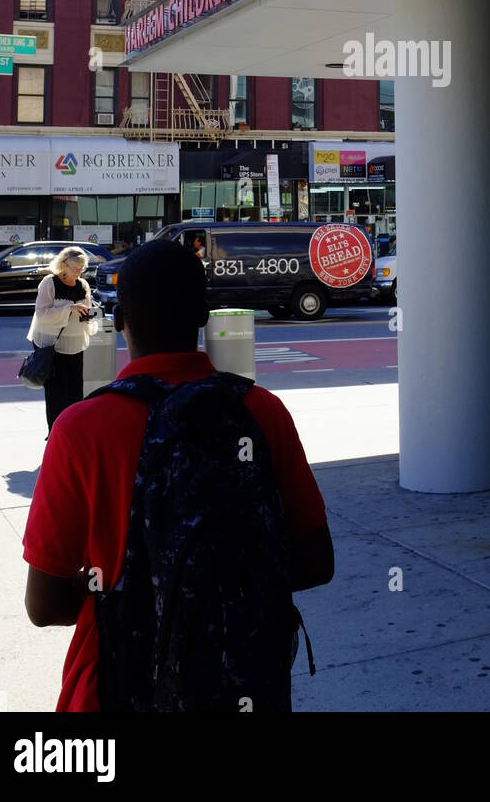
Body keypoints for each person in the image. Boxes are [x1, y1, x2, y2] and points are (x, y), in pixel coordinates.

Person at [22, 239, 334, 712]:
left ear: (122, 322)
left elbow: (44, 607)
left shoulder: (80, 429)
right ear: (204, 316)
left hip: (113, 684)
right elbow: (316, 561)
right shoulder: (262, 412)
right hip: (239, 684)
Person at [27, 246, 94, 434]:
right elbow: (41, 314)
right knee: (56, 392)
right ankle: (55, 433)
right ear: (63, 265)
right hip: (51, 344)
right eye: (75, 268)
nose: (79, 272)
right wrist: (69, 309)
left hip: (75, 343)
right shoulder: (49, 283)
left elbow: (85, 311)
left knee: (75, 390)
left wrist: (88, 314)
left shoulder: (83, 285)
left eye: (82, 268)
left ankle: (73, 431)